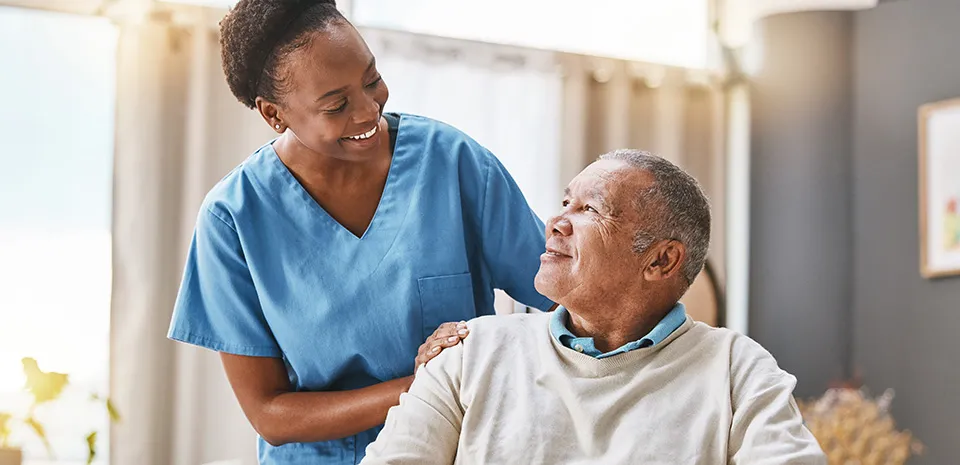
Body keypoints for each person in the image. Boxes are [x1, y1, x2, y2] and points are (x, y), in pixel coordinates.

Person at [166, 0, 553, 463]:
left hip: (463, 450)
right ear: (274, 115)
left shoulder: (453, 163)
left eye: (372, 80)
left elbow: (568, 296)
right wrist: (430, 385)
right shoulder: (233, 219)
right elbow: (271, 413)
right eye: (336, 105)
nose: (369, 111)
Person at [361, 150, 827, 465]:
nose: (555, 222)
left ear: (661, 260)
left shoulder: (736, 369)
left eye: (590, 210)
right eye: (566, 201)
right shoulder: (472, 350)